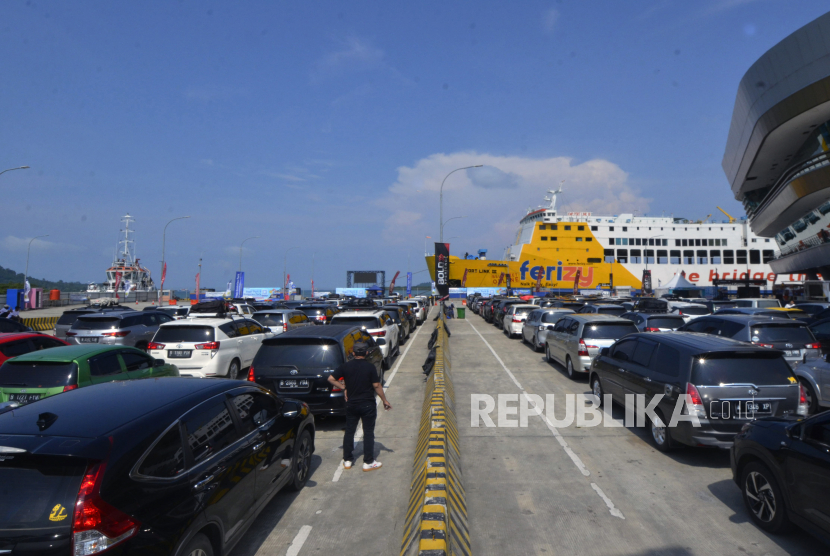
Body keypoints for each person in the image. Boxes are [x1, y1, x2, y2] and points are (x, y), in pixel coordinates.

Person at [327, 342, 392, 472]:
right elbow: (377, 386)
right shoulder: (370, 367)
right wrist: (384, 400)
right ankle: (368, 462)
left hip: (352, 404)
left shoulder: (345, 366)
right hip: (367, 404)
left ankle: (347, 460)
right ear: (366, 353)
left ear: (353, 353)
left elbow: (331, 379)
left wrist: (344, 387)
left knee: (350, 431)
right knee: (368, 432)